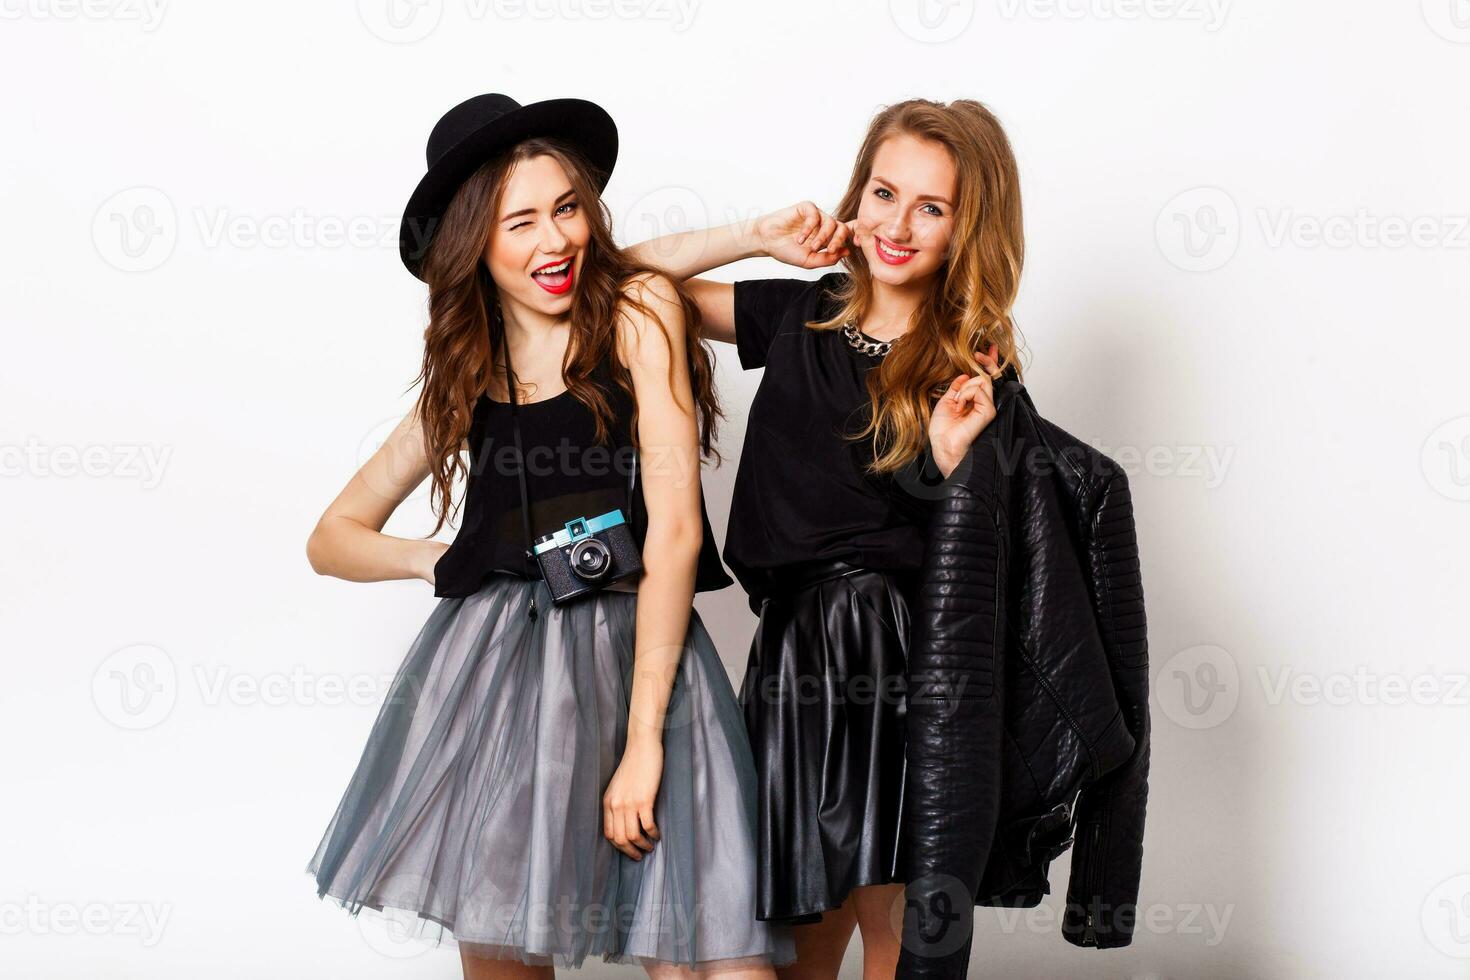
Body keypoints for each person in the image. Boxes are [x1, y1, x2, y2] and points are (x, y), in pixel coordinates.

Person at [304, 93, 794, 979]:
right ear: (474, 245)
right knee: (503, 944)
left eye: (566, 208)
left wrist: (644, 742)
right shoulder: (463, 380)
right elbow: (330, 538)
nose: (553, 240)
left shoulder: (639, 312)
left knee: (707, 950)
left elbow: (678, 533)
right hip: (501, 678)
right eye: (518, 221)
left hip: (649, 662)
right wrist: (434, 558)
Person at [628, 98, 1019, 980]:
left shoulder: (973, 363)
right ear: (857, 194)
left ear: (968, 228)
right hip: (792, 647)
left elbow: (980, 548)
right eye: (885, 193)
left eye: (933, 206)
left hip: (897, 646)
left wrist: (954, 462)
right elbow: (620, 283)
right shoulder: (802, 313)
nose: (898, 224)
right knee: (793, 932)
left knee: (896, 922)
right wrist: (752, 235)